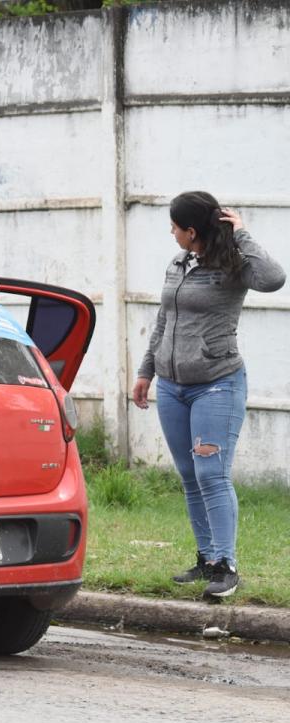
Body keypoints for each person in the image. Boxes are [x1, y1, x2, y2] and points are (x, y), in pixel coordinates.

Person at [131, 191, 284, 600]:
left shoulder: (233, 264)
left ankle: (225, 565)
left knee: (211, 474)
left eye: (175, 227)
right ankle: (206, 558)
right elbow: (163, 320)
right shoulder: (178, 263)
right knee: (189, 476)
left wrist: (242, 234)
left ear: (192, 231)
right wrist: (146, 371)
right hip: (172, 387)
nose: (171, 233)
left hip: (217, 383)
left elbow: (273, 278)